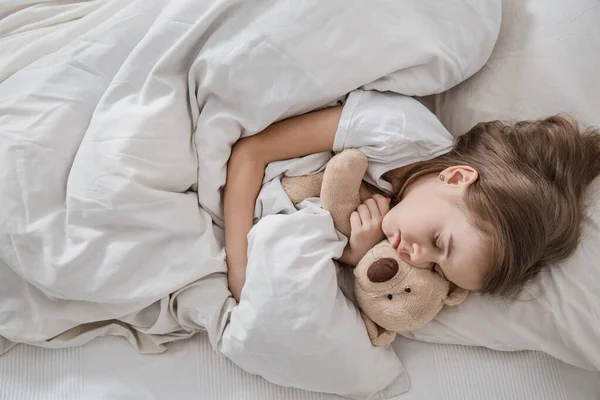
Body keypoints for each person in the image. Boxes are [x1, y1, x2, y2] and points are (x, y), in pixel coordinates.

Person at [224, 90, 600, 302]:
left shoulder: (400, 221)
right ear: (455, 177)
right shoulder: (397, 130)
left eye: (437, 269)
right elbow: (251, 152)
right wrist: (239, 275)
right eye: (439, 242)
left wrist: (356, 256)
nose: (416, 258)